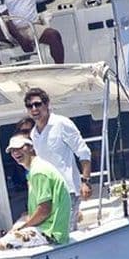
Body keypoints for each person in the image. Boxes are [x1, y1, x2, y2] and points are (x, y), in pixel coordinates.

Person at [25, 87, 92, 231]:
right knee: (54, 233)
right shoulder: (33, 134)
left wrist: (85, 182)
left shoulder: (62, 123)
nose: (34, 108)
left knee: (65, 232)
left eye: (38, 104)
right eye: (30, 106)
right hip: (48, 194)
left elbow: (84, 152)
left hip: (68, 190)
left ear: (47, 103)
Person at [0, 135, 71, 250]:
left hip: (49, 232)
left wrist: (24, 227)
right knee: (17, 225)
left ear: (31, 147)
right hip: (47, 227)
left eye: (19, 148)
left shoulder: (38, 171)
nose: (15, 153)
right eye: (12, 151)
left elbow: (44, 210)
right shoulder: (35, 169)